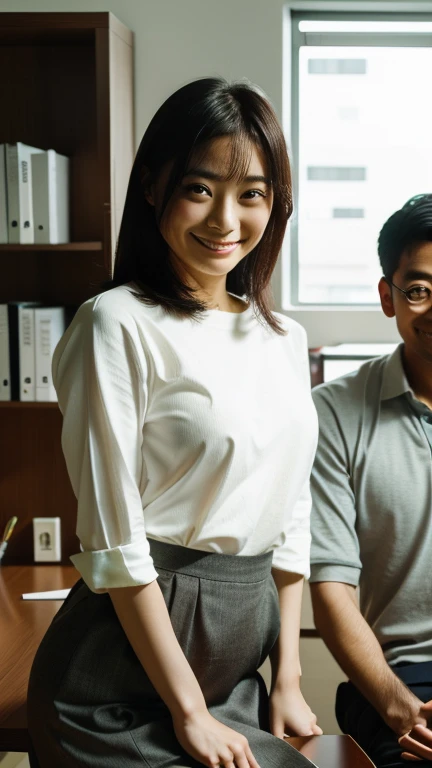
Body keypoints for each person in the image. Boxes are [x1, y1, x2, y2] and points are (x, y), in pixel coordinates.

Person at [27, 77, 322, 768]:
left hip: (231, 680)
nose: (225, 219)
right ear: (154, 187)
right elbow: (114, 538)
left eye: (251, 193)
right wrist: (188, 714)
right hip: (115, 683)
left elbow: (292, 516)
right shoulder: (116, 322)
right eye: (200, 188)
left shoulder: (280, 337)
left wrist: (288, 678)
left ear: (275, 204)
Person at [309, 194, 432, 768]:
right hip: (400, 682)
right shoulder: (333, 412)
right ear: (389, 296)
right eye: (419, 289)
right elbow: (333, 590)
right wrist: (405, 710)